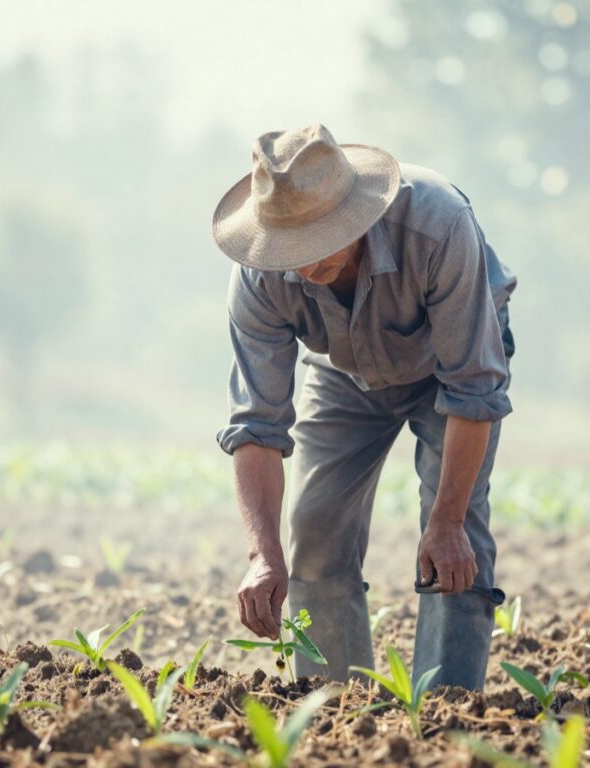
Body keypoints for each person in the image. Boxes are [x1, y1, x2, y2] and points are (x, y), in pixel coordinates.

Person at [211, 123, 516, 690]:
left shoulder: (437, 226)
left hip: (448, 367)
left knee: (456, 538)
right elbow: (256, 423)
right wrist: (262, 554)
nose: (304, 267)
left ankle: (446, 706)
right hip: (342, 371)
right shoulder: (258, 276)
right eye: (290, 250)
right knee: (314, 528)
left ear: (357, 216)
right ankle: (336, 701)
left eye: (317, 243)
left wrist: (447, 521)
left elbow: (474, 389)